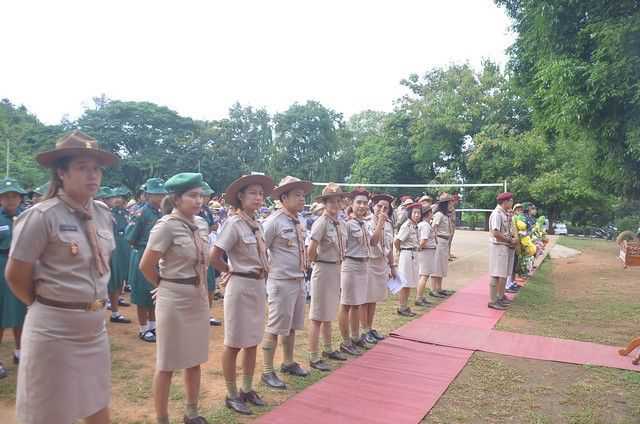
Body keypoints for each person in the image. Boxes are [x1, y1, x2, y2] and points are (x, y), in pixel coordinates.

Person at [6, 130, 118, 424]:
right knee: (48, 412)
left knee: (97, 404)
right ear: (61, 172)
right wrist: (46, 304)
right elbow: (16, 274)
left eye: (96, 168)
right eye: (82, 167)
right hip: (53, 330)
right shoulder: (42, 216)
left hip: (94, 329)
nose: (92, 175)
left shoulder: (103, 214)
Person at [139, 173, 211, 424]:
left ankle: (191, 412)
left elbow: (203, 263)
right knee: (167, 363)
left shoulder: (201, 224)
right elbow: (146, 265)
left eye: (200, 195)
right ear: (177, 199)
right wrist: (163, 285)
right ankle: (162, 418)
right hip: (174, 298)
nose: (199, 200)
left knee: (195, 358)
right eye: (192, 195)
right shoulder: (166, 226)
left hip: (197, 297)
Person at [210, 173, 274, 415]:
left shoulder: (256, 224)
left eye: (261, 194)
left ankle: (247, 389)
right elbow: (214, 256)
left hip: (257, 286)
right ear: (240, 196)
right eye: (253, 193)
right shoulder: (234, 223)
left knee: (252, 341)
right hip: (240, 286)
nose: (258, 198)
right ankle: (231, 393)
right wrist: (230, 271)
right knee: (234, 342)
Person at [261, 176, 312, 389]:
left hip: (298, 279)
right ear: (284, 198)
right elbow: (260, 249)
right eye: (297, 195)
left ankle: (288, 362)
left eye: (303, 195)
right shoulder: (273, 222)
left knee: (291, 326)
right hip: (281, 281)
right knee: (275, 327)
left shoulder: (300, 220)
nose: (302, 199)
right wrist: (265, 272)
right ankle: (267, 371)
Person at [306, 183, 349, 372]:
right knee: (317, 315)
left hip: (335, 268)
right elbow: (311, 249)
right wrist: (317, 262)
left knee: (329, 311)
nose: (334, 204)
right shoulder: (321, 222)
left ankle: (328, 348)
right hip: (323, 268)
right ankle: (313, 356)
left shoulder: (340, 223)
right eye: (330, 201)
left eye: (338, 200)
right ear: (324, 203)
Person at [126, 177, 167, 342]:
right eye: (158, 194)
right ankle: (143, 329)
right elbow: (131, 237)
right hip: (143, 253)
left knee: (154, 292)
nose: (162, 197)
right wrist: (144, 248)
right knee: (142, 295)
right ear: (148, 195)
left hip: (158, 255)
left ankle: (153, 326)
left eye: (163, 194)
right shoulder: (141, 212)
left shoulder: (161, 212)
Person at [338, 187, 373, 355]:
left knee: (357, 303)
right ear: (351, 204)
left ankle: (355, 336)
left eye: (365, 203)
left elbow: (371, 243)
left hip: (363, 264)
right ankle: (345, 341)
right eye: (359, 202)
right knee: (346, 304)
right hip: (350, 264)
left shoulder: (364, 223)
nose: (362, 206)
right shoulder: (347, 223)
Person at [0, 177, 27, 378]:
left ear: (20, 198)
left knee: (20, 310)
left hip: (21, 266)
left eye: (14, 196)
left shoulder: (26, 217)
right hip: (1, 265)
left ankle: (20, 351)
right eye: (6, 196)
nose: (10, 200)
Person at [362, 193, 396, 342]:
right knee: (366, 298)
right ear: (373, 206)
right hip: (369, 262)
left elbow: (389, 246)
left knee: (374, 298)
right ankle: (364, 330)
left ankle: (370, 327)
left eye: (386, 208)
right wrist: (380, 223)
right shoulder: (366, 222)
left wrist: (392, 266)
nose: (382, 209)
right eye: (379, 206)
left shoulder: (388, 224)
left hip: (381, 263)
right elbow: (373, 242)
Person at [103, 186, 132, 324]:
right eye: (114, 197)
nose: (117, 199)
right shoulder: (107, 214)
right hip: (112, 250)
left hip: (123, 248)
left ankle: (116, 304)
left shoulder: (125, 213)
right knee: (111, 281)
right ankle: (111, 310)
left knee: (120, 278)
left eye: (121, 197)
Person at [488, 192, 516, 311]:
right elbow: (496, 232)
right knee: (496, 274)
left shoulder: (505, 214)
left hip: (504, 246)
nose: (512, 202)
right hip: (498, 246)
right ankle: (493, 300)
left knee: (503, 274)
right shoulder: (497, 214)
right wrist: (510, 240)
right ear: (505, 202)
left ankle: (500, 297)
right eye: (511, 200)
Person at [394, 202, 423, 316]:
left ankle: (405, 306)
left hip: (412, 254)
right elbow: (397, 241)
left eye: (419, 213)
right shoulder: (407, 225)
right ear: (410, 213)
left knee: (409, 282)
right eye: (415, 213)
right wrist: (400, 251)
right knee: (404, 282)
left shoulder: (414, 226)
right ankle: (402, 307)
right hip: (407, 254)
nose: (417, 215)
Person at [200, 182, 222, 326]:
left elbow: (212, 226)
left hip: (208, 248)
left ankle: (206, 313)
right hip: (198, 250)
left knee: (210, 284)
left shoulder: (206, 210)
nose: (207, 197)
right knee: (200, 285)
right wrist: (210, 228)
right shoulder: (195, 211)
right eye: (205, 195)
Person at [431, 194, 455, 298]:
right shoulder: (439, 215)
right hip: (439, 241)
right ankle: (433, 289)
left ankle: (439, 288)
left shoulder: (445, 215)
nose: (451, 205)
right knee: (436, 266)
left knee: (442, 266)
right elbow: (434, 227)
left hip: (444, 241)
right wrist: (435, 241)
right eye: (450, 202)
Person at [416, 206, 436, 306]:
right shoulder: (425, 225)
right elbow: (424, 240)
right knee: (424, 275)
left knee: (423, 275)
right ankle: (419, 298)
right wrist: (420, 248)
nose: (432, 214)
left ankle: (421, 296)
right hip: (426, 251)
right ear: (428, 213)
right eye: (431, 212)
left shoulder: (423, 224)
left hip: (426, 251)